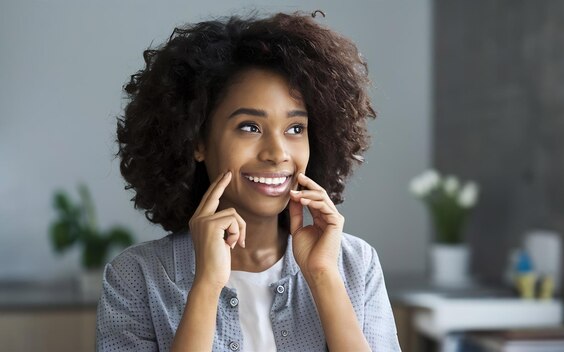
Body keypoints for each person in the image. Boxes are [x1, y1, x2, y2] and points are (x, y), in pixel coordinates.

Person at [96, 11, 400, 352]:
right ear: (197, 141)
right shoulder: (136, 278)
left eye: (295, 129)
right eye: (250, 127)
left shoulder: (356, 265)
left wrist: (323, 276)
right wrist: (206, 285)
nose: (277, 152)